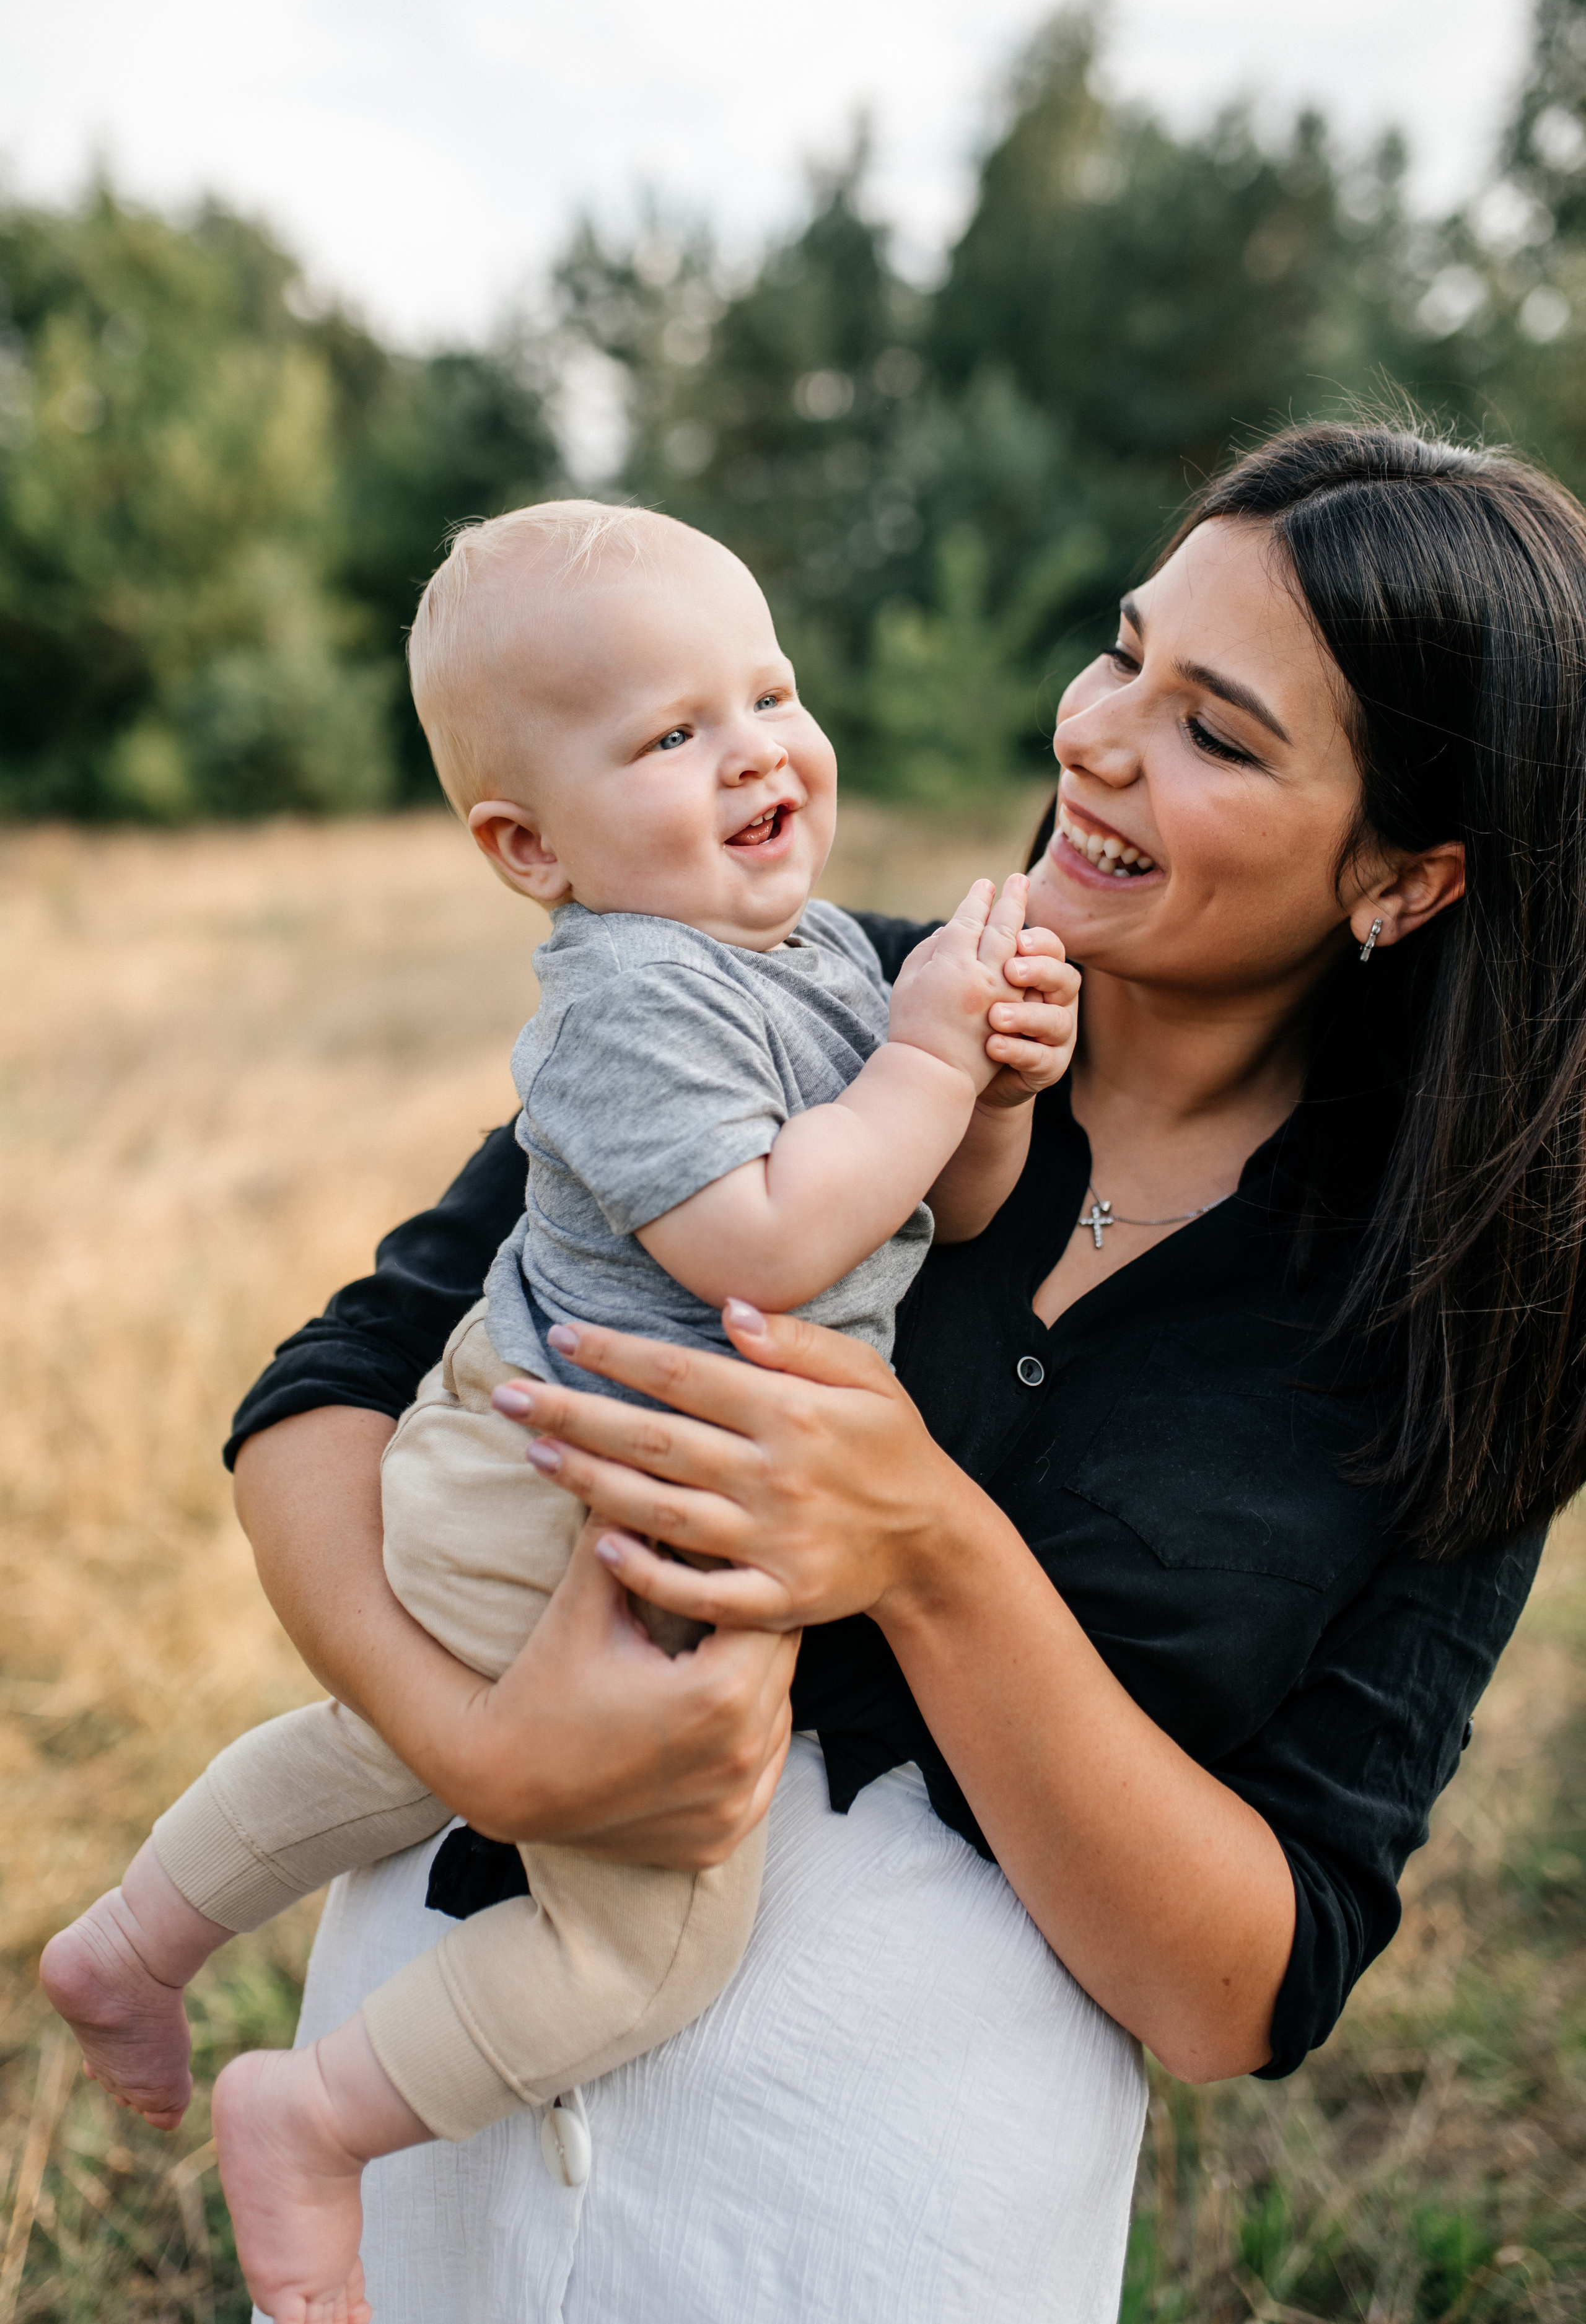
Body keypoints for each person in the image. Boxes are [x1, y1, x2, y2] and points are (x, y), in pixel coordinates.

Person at [198, 424, 1586, 2322]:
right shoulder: (788, 988)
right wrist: (485, 1749)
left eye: (1216, 730)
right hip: (423, 2137)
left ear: (1407, 880)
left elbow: (1250, 1986)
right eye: (1124, 650)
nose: (1095, 735)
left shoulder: (1472, 1315)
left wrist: (928, 1548)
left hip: (881, 2233)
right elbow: (329, 1392)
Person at [38, 502, 1079, 2324]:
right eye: (671, 733)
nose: (753, 748)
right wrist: (926, 1056)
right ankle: (316, 2122)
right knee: (645, 1944)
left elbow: (951, 1213)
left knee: (384, 1752)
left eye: (768, 692)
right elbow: (763, 1238)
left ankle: (133, 1939)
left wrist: (988, 1090)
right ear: (531, 849)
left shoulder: (821, 954)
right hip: (562, 1493)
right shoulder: (628, 998)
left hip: (554, 1470)